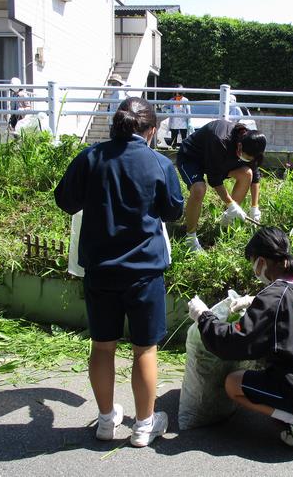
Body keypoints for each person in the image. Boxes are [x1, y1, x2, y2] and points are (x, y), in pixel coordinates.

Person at [54, 97, 184, 447]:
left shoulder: (90, 158)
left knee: (102, 346)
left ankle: (107, 420)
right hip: (144, 271)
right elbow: (173, 211)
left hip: (100, 269)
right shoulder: (158, 163)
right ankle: (144, 426)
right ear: (152, 130)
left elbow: (66, 201)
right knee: (144, 349)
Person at [187, 226, 293, 448]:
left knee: (233, 383)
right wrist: (253, 300)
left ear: (262, 262)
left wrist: (204, 317)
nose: (254, 270)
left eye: (254, 262)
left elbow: (230, 344)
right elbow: (286, 305)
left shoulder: (273, 298)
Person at [176, 120, 267, 252]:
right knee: (199, 189)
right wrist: (232, 204)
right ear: (240, 146)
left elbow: (255, 174)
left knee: (246, 174)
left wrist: (255, 207)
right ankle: (190, 239)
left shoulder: (252, 142)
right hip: (192, 157)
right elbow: (214, 179)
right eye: (245, 157)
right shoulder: (219, 139)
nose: (246, 160)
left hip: (218, 160)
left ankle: (227, 219)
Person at [165, 84, 192, 148]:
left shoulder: (185, 100)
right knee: (174, 136)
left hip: (183, 121)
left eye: (178, 92)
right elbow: (164, 106)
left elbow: (189, 111)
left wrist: (189, 122)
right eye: (176, 92)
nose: (177, 94)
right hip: (174, 120)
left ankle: (184, 150)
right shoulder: (172, 100)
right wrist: (168, 111)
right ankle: (173, 149)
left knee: (184, 137)